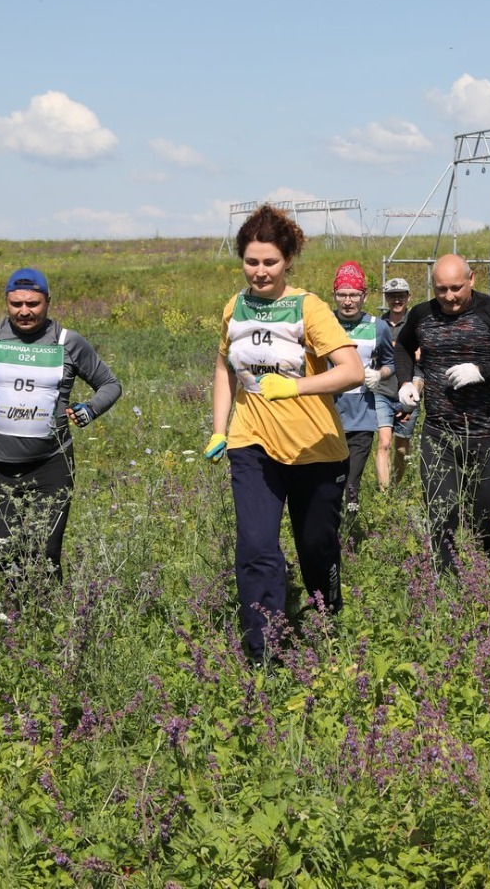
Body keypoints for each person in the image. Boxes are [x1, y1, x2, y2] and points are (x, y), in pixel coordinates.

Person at [202, 205, 363, 664]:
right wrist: (219, 427)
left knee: (316, 549)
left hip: (317, 450)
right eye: (251, 261)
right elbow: (222, 367)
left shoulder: (308, 308)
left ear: (288, 259)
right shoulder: (234, 307)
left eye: (269, 261)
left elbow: (352, 371)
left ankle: (327, 624)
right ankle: (265, 653)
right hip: (252, 444)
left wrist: (295, 386)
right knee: (255, 547)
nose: (259, 271)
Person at [0, 267, 122, 589]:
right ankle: (17, 609)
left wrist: (90, 409)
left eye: (33, 303)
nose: (24, 311)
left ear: (48, 302)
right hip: (0, 466)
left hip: (52, 465)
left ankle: (48, 618)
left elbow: (109, 384)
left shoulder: (67, 342)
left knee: (44, 553)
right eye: (16, 304)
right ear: (6, 301)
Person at [393, 254, 490, 573]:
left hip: (486, 433)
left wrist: (483, 371)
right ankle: (447, 588)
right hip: (438, 435)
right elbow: (402, 347)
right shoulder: (421, 314)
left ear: (472, 279)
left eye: (456, 288)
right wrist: (406, 381)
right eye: (441, 289)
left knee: (484, 517)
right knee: (441, 513)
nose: (448, 297)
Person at [330, 262, 394, 514]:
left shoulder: (378, 327)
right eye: (342, 294)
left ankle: (350, 529)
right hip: (327, 414)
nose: (348, 301)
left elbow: (391, 363)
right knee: (329, 480)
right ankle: (329, 526)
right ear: (334, 295)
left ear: (364, 296)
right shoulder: (323, 323)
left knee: (351, 481)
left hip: (362, 417)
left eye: (354, 295)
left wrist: (379, 374)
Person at [372, 277, 418, 487]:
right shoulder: (378, 325)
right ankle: (384, 493)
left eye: (401, 295)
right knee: (384, 443)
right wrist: (403, 349)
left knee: (402, 446)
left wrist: (392, 348)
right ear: (386, 298)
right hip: (382, 390)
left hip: (408, 391)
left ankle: (396, 489)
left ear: (408, 297)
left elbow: (419, 355)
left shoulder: (416, 323)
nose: (396, 300)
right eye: (392, 296)